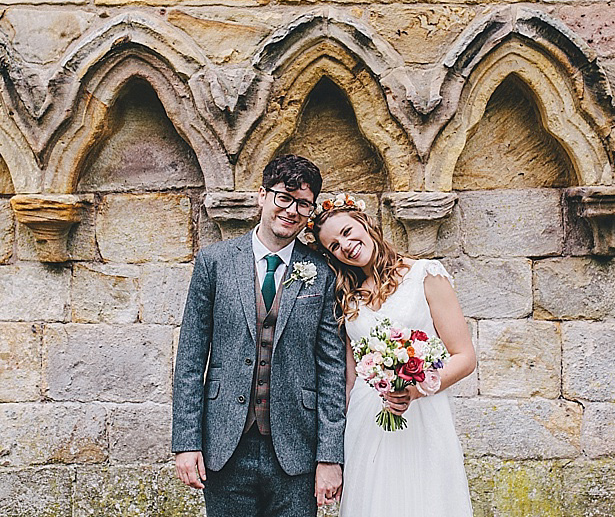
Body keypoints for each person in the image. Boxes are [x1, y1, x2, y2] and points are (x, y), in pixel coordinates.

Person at [172, 154, 346, 517]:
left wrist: (330, 457)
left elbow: (331, 370)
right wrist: (186, 443)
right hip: (224, 445)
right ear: (262, 196)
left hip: (297, 450)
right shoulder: (214, 262)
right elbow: (190, 361)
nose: (292, 210)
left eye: (303, 204)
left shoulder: (321, 273)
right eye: (284, 197)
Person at [309, 194, 476, 517]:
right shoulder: (348, 298)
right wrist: (334, 451)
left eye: (346, 232)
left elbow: (464, 356)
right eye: (333, 246)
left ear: (364, 222)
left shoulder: (425, 276)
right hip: (365, 419)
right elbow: (350, 376)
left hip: (422, 414)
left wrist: (416, 389)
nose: (345, 245)